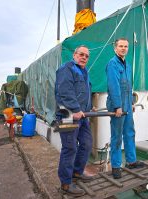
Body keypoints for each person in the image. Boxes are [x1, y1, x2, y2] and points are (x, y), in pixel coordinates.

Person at [55, 45, 93, 196]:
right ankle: (65, 183)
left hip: (82, 115)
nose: (84, 57)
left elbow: (84, 93)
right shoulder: (66, 69)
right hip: (66, 114)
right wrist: (75, 109)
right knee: (69, 148)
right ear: (74, 55)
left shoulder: (84, 71)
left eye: (86, 56)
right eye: (81, 54)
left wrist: (90, 107)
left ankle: (77, 172)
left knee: (86, 143)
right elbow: (64, 92)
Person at [106, 38, 144, 179]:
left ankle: (131, 161)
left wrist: (131, 102)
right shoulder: (112, 64)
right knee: (117, 136)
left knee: (129, 132)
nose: (123, 48)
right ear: (115, 48)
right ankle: (116, 166)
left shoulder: (127, 65)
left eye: (126, 46)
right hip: (117, 105)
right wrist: (117, 106)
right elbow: (114, 86)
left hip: (127, 103)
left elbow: (128, 86)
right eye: (121, 46)